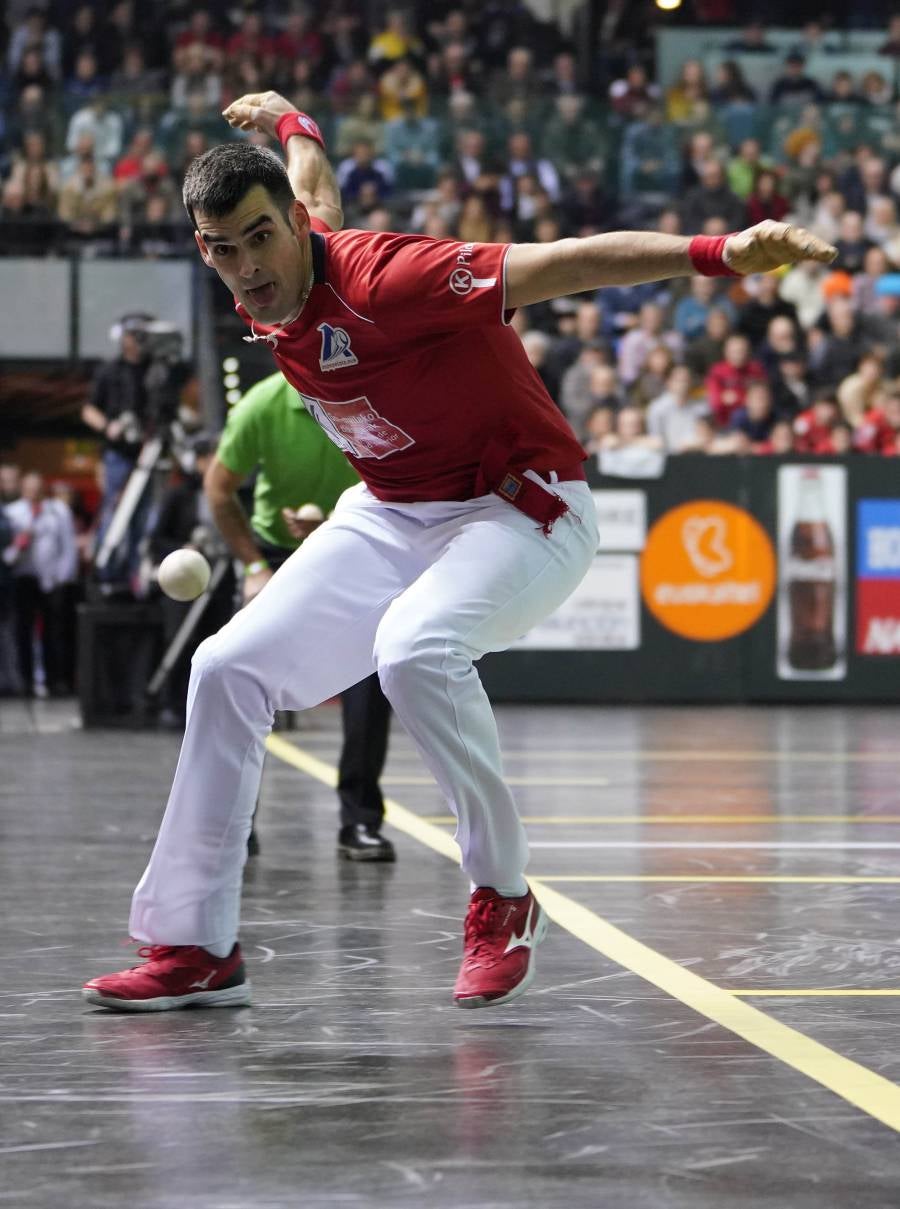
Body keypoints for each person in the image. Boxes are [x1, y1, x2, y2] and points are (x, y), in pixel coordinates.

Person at [83, 89, 835, 1014]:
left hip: (523, 507)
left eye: (257, 238)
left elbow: (561, 263)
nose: (246, 268)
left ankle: (505, 896)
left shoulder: (393, 278)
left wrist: (719, 253)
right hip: (396, 509)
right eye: (222, 249)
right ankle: (196, 945)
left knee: (413, 648)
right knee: (223, 667)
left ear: (289, 227)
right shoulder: (285, 251)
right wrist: (292, 124)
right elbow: (315, 182)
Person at [204, 371, 395, 861]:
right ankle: (236, 823)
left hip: (357, 548)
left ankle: (360, 822)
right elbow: (220, 489)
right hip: (276, 555)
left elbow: (402, 480)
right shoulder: (260, 405)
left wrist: (336, 523)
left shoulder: (374, 393)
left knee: (370, 687)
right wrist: (252, 566)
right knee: (245, 681)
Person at [3, 471, 77, 698]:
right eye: (29, 488)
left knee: (54, 633)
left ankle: (56, 680)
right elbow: (6, 554)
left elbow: (68, 546)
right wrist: (18, 547)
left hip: (51, 580)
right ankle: (26, 680)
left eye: (38, 488)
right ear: (23, 489)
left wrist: (62, 578)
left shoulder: (58, 510)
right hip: (24, 578)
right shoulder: (12, 513)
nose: (34, 492)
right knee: (23, 632)